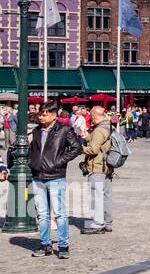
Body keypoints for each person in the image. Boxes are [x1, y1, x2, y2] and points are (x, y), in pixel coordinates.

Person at [29, 102, 82, 258]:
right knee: (42, 214)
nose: (41, 116)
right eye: (40, 114)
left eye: (44, 114)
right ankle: (45, 244)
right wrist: (31, 162)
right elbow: (33, 150)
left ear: (53, 115)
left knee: (59, 213)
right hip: (38, 176)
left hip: (55, 176)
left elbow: (76, 148)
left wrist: (58, 162)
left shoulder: (64, 129)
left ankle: (63, 246)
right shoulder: (37, 131)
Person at [81, 105, 114, 235]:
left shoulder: (99, 129)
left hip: (98, 167)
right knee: (106, 196)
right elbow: (102, 143)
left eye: (92, 117)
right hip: (107, 167)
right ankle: (107, 223)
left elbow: (93, 150)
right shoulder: (109, 126)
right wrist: (88, 137)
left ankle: (97, 224)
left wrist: (80, 148)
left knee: (97, 197)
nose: (91, 119)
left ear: (95, 116)